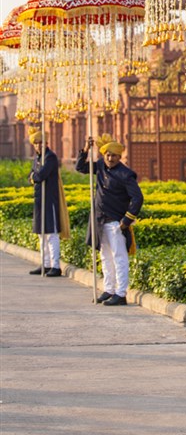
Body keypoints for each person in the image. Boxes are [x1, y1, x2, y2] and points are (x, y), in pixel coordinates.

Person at [76, 134, 143, 306]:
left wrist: (126, 221)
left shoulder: (126, 174)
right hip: (100, 220)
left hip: (116, 222)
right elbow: (80, 168)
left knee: (119, 257)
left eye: (113, 155)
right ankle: (109, 289)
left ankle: (121, 293)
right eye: (107, 155)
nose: (110, 158)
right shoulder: (100, 166)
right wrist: (86, 149)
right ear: (103, 155)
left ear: (120, 157)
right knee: (105, 257)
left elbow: (138, 198)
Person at [28, 128, 70, 276]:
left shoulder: (50, 157)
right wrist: (34, 176)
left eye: (41, 142)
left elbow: (40, 175)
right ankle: (45, 264)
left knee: (51, 234)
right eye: (36, 143)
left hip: (50, 200)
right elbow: (31, 176)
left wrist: (35, 176)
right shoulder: (38, 158)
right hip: (39, 200)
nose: (39, 145)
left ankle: (55, 266)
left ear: (47, 143)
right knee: (41, 234)